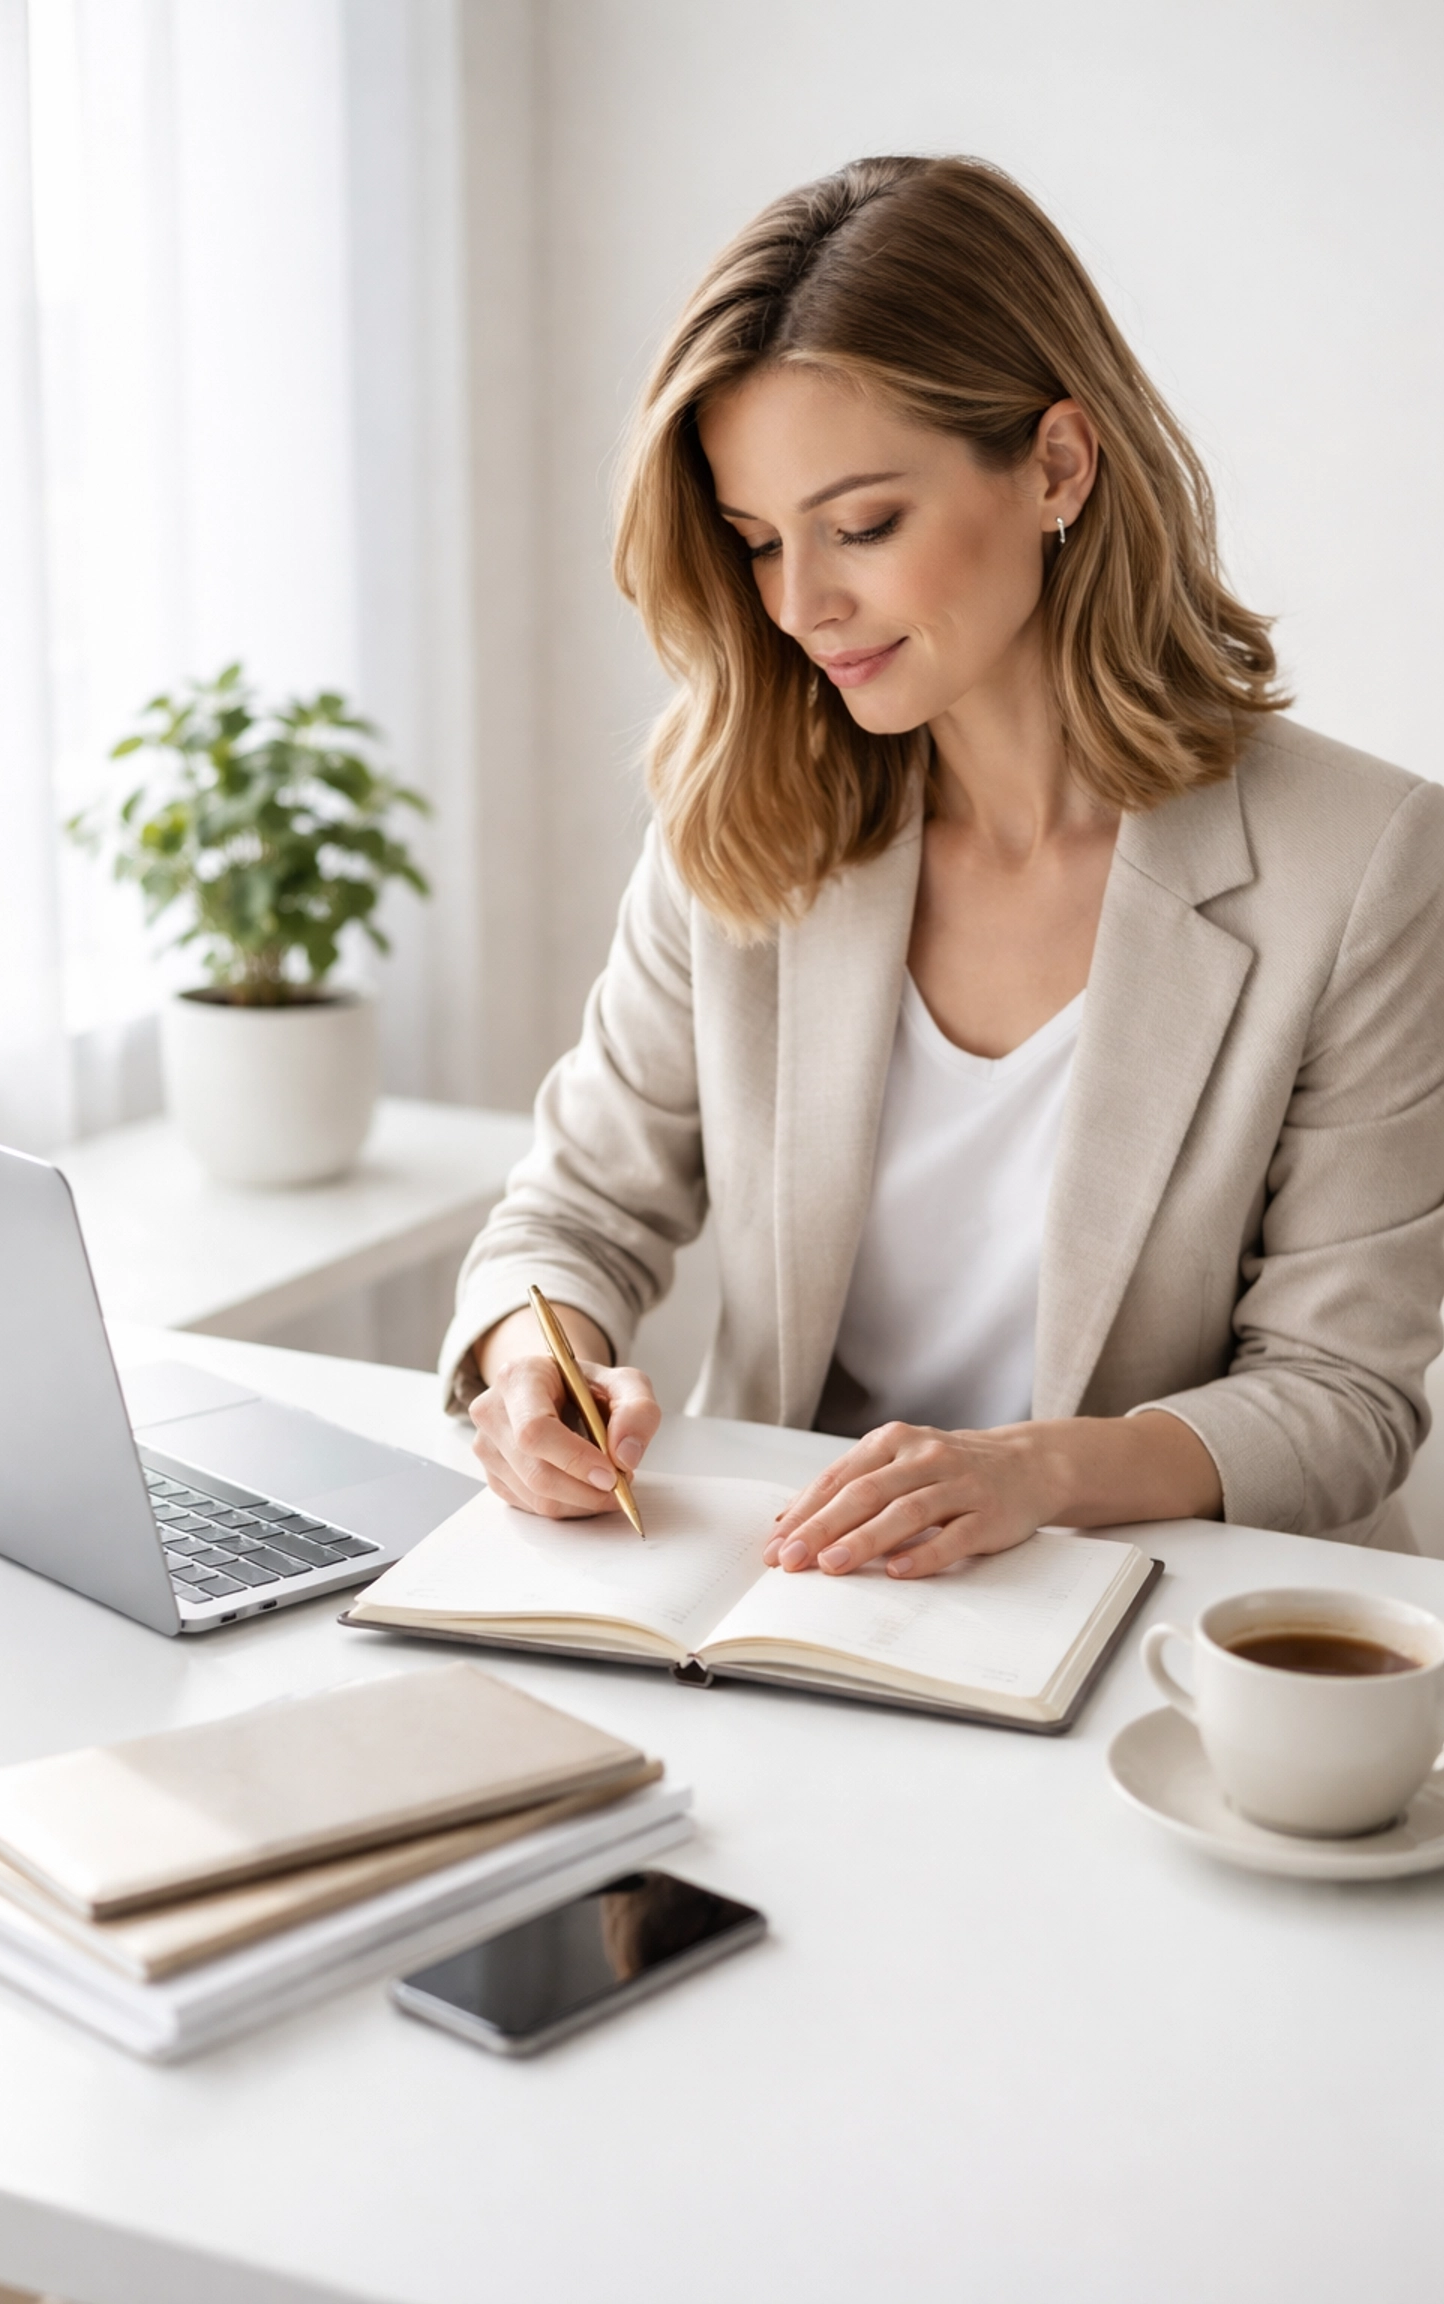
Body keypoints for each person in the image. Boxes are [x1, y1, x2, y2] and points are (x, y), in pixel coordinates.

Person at [440, 154, 1444, 1573]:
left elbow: (1341, 1398)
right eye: (755, 543)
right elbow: (577, 1210)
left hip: (1168, 1625)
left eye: (862, 527)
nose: (799, 604)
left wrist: (1030, 1476)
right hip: (798, 1600)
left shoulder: (1362, 864)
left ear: (1054, 465)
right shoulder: (743, 813)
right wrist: (533, 1356)